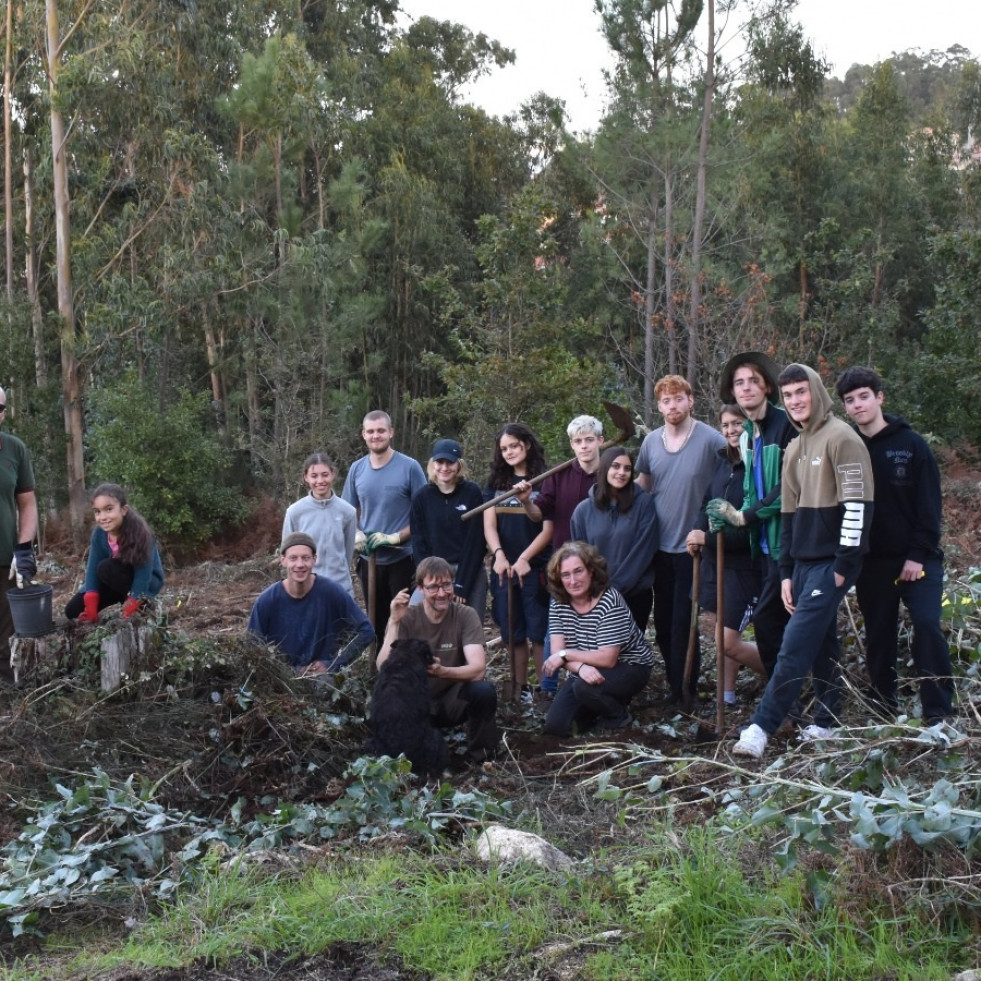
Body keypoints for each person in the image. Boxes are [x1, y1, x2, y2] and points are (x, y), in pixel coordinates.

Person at [734, 365, 874, 759]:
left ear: (816, 392)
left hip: (834, 562)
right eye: (789, 395)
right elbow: (790, 517)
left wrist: (843, 566)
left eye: (802, 392)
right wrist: (785, 572)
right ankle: (828, 722)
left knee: (794, 644)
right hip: (802, 564)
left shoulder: (842, 439)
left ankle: (761, 726)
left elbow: (857, 508)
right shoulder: (796, 447)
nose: (796, 401)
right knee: (821, 643)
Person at [836, 366, 953, 724]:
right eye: (850, 400)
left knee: (927, 624)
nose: (858, 405)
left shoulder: (911, 445)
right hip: (872, 563)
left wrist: (917, 555)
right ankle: (884, 708)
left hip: (919, 559)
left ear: (879, 397)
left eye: (864, 397)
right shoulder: (847, 448)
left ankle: (937, 713)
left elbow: (930, 507)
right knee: (879, 635)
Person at [635, 375, 725, 703]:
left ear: (690, 400)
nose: (672, 406)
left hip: (694, 548)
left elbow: (729, 479)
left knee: (684, 624)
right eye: (666, 401)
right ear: (659, 406)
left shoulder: (711, 440)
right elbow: (642, 487)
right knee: (662, 623)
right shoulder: (651, 443)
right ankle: (674, 686)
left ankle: (686, 690)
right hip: (658, 547)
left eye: (678, 399)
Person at [706, 352, 796, 679]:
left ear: (768, 387)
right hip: (763, 549)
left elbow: (789, 489)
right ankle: (784, 704)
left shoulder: (787, 427)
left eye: (753, 381)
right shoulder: (748, 436)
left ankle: (809, 708)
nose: (746, 388)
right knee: (769, 628)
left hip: (790, 544)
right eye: (739, 383)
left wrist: (745, 517)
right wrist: (729, 515)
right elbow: (749, 490)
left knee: (792, 629)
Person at [377, 556, 499, 762]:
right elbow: (383, 666)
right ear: (421, 589)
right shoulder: (407, 617)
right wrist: (394, 621)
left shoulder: (465, 615)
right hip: (415, 702)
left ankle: (481, 757)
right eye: (433, 587)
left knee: (484, 691)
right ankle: (405, 757)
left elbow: (478, 669)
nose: (442, 593)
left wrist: (444, 672)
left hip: (451, 700)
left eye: (446, 585)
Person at [686, 405, 764, 705]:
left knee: (727, 640)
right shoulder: (723, 462)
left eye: (737, 423)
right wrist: (696, 533)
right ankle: (727, 695)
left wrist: (707, 537)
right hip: (715, 562)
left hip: (744, 568)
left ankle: (786, 674)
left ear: (750, 425)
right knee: (722, 634)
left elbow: (751, 528)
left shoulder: (757, 467)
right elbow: (707, 502)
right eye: (726, 424)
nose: (731, 430)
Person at [524, 414, 604, 695]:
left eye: (589, 440)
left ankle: (590, 685)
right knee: (556, 628)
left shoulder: (609, 474)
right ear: (572, 445)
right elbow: (538, 513)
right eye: (578, 441)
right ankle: (548, 688)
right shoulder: (558, 476)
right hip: (564, 567)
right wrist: (525, 501)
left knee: (595, 629)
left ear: (600, 442)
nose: (584, 446)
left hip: (599, 566)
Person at [541, 542, 654, 736]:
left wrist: (566, 654)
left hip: (628, 665)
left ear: (591, 571)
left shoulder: (609, 600)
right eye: (566, 575)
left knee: (584, 687)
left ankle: (618, 715)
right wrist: (581, 667)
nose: (573, 580)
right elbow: (556, 653)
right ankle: (598, 706)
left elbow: (607, 658)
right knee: (557, 726)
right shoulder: (559, 603)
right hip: (585, 669)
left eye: (578, 572)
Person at [482, 423, 553, 702]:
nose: (509, 452)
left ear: (527, 444)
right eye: (504, 448)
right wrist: (499, 555)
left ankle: (544, 687)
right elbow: (489, 525)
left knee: (538, 630)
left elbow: (548, 528)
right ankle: (521, 688)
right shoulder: (496, 484)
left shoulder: (545, 480)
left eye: (514, 445)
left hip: (535, 567)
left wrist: (525, 558)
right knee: (513, 632)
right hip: (504, 569)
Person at [341, 411, 426, 639]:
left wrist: (396, 537)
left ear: (391, 432)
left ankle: (403, 670)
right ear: (363, 435)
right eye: (370, 431)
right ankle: (377, 671)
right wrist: (357, 534)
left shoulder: (410, 467)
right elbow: (346, 512)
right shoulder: (357, 470)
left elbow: (423, 515)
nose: (375, 435)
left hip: (403, 559)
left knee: (403, 621)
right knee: (375, 623)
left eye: (380, 430)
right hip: (370, 561)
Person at [248, 532, 374, 676]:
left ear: (314, 560)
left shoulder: (331, 592)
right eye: (293, 558)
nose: (300, 564)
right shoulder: (267, 600)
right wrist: (287, 672)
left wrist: (333, 664)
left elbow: (366, 631)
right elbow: (252, 646)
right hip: (282, 680)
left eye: (306, 558)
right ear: (283, 560)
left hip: (322, 677)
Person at [569, 446, 659, 628]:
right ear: (604, 469)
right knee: (600, 653)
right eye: (615, 466)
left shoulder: (644, 504)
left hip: (634, 596)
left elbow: (643, 551)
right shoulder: (583, 511)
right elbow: (580, 556)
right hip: (595, 596)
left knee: (629, 653)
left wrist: (613, 589)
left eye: (627, 468)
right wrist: (595, 589)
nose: (621, 473)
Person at [65, 483, 165, 621]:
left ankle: (143, 605)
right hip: (113, 580)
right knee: (72, 611)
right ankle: (123, 598)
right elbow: (92, 570)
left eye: (109, 509)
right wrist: (91, 605)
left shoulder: (141, 534)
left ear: (123, 510)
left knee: (106, 567)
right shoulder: (99, 534)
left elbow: (144, 575)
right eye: (97, 511)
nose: (103, 517)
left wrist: (132, 604)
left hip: (144, 583)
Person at [409, 439, 487, 613]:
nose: (444, 468)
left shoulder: (471, 492)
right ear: (432, 464)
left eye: (450, 462)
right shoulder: (422, 497)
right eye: (440, 462)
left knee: (470, 626)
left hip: (468, 569)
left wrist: (461, 584)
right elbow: (418, 541)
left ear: (458, 465)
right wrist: (429, 579)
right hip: (433, 569)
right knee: (414, 613)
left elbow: (476, 542)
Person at [0, 387, 38, 680]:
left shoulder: (15, 449)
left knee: (6, 643)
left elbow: (26, 504)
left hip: (5, 561)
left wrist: (24, 549)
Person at [282, 452, 358, 597]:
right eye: (314, 476)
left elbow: (347, 554)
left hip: (340, 589)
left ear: (333, 474)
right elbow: (288, 554)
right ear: (306, 477)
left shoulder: (348, 512)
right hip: (307, 590)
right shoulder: (294, 512)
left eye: (325, 474)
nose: (320, 480)